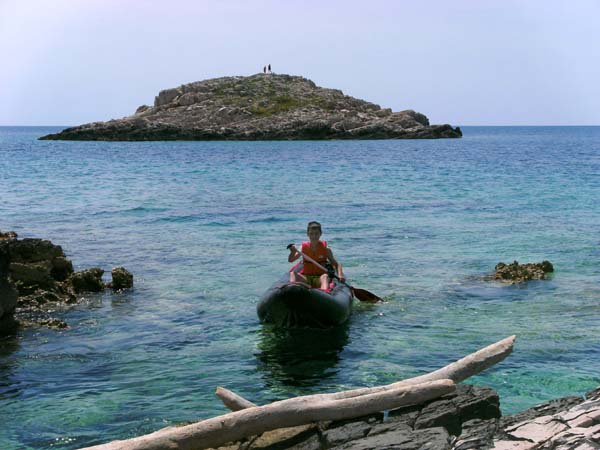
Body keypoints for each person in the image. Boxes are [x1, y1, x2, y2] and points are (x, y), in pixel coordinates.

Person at [288, 221, 344, 290]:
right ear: (308, 234)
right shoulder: (302, 248)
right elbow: (291, 260)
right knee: (292, 274)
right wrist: (292, 252)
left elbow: (336, 264)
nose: (314, 236)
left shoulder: (326, 249)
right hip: (306, 277)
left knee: (325, 276)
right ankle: (293, 289)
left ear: (320, 234)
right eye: (311, 234)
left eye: (316, 234)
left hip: (319, 278)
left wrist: (340, 275)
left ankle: (323, 292)